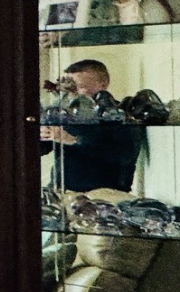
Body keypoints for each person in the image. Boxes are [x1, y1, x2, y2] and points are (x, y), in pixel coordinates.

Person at [41, 59, 141, 193]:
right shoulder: (66, 113)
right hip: (62, 189)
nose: (72, 94)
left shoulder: (120, 114)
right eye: (68, 89)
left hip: (105, 192)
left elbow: (125, 156)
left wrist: (75, 140)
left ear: (103, 85)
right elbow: (42, 148)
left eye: (79, 87)